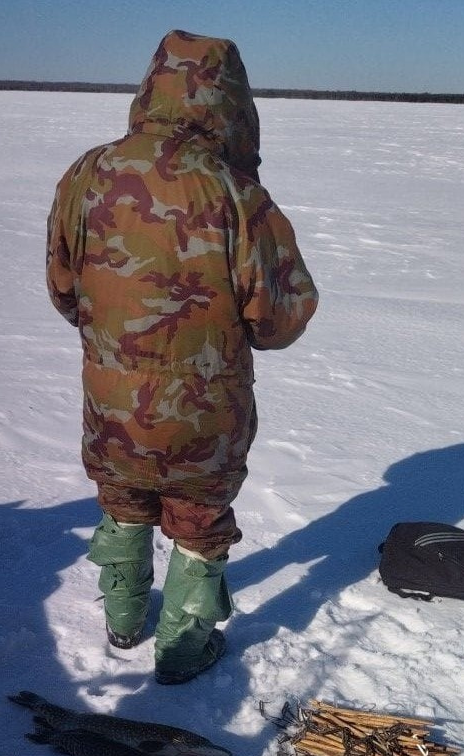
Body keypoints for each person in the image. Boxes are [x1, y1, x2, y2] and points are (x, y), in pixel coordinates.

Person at [46, 30, 318, 684]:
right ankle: (183, 651)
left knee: (124, 498)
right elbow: (280, 316)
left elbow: (65, 288)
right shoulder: (237, 193)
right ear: (231, 103)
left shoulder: (87, 175)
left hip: (114, 408)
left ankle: (123, 619)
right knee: (198, 522)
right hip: (204, 416)